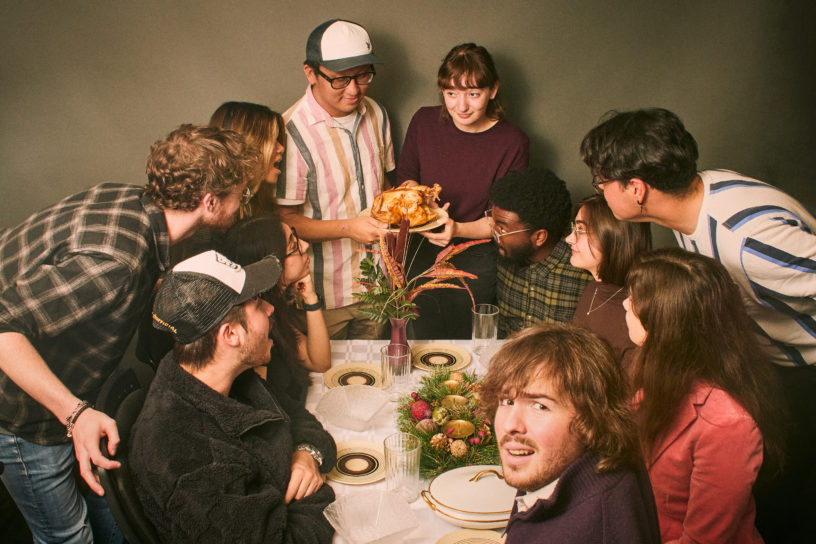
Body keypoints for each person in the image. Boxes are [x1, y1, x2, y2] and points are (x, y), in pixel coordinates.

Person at [0, 124, 259, 544]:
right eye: (240, 196)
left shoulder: (128, 199)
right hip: (23, 416)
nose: (243, 206)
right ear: (210, 202)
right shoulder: (118, 260)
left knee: (112, 523)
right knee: (69, 536)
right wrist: (74, 413)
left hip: (65, 392)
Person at [581, 107, 815, 542]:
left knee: (782, 506)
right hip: (754, 361)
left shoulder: (750, 242)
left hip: (801, 374)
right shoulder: (694, 199)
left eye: (602, 183)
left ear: (636, 188)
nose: (600, 192)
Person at [130, 250, 336, 543]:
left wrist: (306, 455)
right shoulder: (185, 457)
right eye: (255, 303)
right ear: (230, 335)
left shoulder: (225, 378)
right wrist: (316, 492)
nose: (269, 308)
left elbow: (299, 418)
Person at [624, 248, 785, 543]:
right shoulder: (660, 379)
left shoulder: (728, 425)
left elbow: (701, 540)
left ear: (666, 322)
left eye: (635, 300)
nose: (625, 303)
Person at [396, 43, 529, 339]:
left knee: (467, 346)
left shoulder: (512, 142)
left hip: (476, 261)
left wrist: (456, 229)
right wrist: (417, 197)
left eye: (473, 93)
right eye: (451, 93)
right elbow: (405, 180)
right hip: (418, 254)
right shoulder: (423, 122)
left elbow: (504, 221)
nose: (461, 106)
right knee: (421, 344)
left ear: (492, 90)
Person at [481, 324, 660, 543]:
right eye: (507, 401)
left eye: (539, 406)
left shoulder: (586, 530)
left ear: (591, 416)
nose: (511, 425)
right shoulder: (601, 464)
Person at [277, 19, 395, 339]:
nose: (354, 89)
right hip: (323, 295)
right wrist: (349, 228)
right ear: (311, 73)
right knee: (325, 383)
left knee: (372, 379)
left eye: (363, 76)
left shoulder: (377, 113)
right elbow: (285, 221)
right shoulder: (290, 132)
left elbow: (381, 185)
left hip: (378, 285)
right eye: (340, 80)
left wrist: (402, 197)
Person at [223, 213, 330, 405]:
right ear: (271, 264)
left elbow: (319, 362)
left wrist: (310, 297)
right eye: (293, 245)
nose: (305, 245)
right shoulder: (253, 325)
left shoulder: (272, 308)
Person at [487, 168, 592, 336]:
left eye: (502, 229)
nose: (494, 233)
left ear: (539, 237)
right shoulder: (506, 254)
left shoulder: (582, 270)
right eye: (494, 225)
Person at [566, 195, 651, 375]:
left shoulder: (634, 314)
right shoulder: (595, 285)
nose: (569, 239)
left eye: (580, 230)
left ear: (613, 236)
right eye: (574, 228)